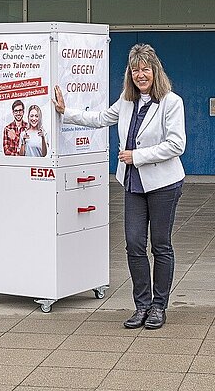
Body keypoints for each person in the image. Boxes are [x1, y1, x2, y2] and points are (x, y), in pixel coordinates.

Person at [54, 43, 185, 330]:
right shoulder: (127, 101)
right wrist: (66, 112)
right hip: (132, 183)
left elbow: (177, 144)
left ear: (155, 71)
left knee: (160, 245)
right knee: (134, 244)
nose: (141, 75)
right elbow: (101, 119)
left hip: (163, 183)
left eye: (145, 70)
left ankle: (159, 306)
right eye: (135, 70)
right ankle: (142, 305)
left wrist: (136, 156)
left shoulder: (171, 102)